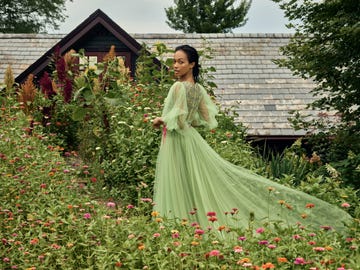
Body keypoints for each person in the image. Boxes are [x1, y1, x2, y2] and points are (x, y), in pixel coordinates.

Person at [152, 45, 351, 234]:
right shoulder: (199, 89)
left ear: (192, 64)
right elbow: (206, 119)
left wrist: (162, 119)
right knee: (194, 181)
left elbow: (177, 116)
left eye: (181, 62)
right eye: (174, 61)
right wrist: (186, 122)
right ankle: (193, 225)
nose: (176, 66)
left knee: (178, 182)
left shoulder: (178, 87)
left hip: (177, 140)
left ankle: (177, 227)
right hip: (191, 139)